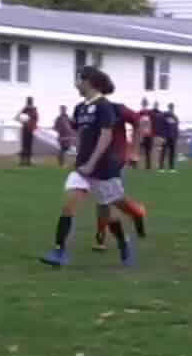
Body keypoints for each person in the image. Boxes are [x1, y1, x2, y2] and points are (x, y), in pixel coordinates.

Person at [42, 67, 148, 269]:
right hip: (82, 168)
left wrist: (92, 162)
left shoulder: (104, 106)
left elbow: (105, 136)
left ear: (88, 81)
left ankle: (123, 242)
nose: (76, 84)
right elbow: (81, 135)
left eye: (78, 80)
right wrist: (78, 157)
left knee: (109, 215)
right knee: (69, 206)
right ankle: (59, 251)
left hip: (104, 168)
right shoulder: (79, 108)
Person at [15, 97, 40, 167]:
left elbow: (36, 119)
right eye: (29, 101)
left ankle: (27, 161)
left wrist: (23, 121)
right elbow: (17, 117)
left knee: (28, 146)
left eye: (29, 101)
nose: (29, 102)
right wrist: (22, 121)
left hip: (30, 129)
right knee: (25, 146)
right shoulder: (27, 109)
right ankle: (24, 161)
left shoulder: (32, 109)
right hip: (26, 129)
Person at [159, 103, 181, 171]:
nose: (171, 108)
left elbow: (176, 128)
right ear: (168, 107)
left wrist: (176, 136)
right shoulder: (164, 116)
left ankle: (171, 167)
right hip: (165, 137)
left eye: (172, 107)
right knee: (163, 152)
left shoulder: (175, 117)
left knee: (172, 153)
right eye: (170, 107)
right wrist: (162, 137)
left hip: (173, 137)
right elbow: (161, 127)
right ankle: (161, 167)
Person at [137, 98, 156, 170]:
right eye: (143, 103)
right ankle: (136, 166)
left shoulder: (150, 114)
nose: (144, 104)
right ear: (142, 104)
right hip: (141, 135)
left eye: (145, 103)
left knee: (148, 152)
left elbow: (153, 124)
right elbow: (137, 124)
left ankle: (148, 167)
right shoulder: (139, 113)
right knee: (139, 152)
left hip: (148, 136)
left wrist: (153, 135)